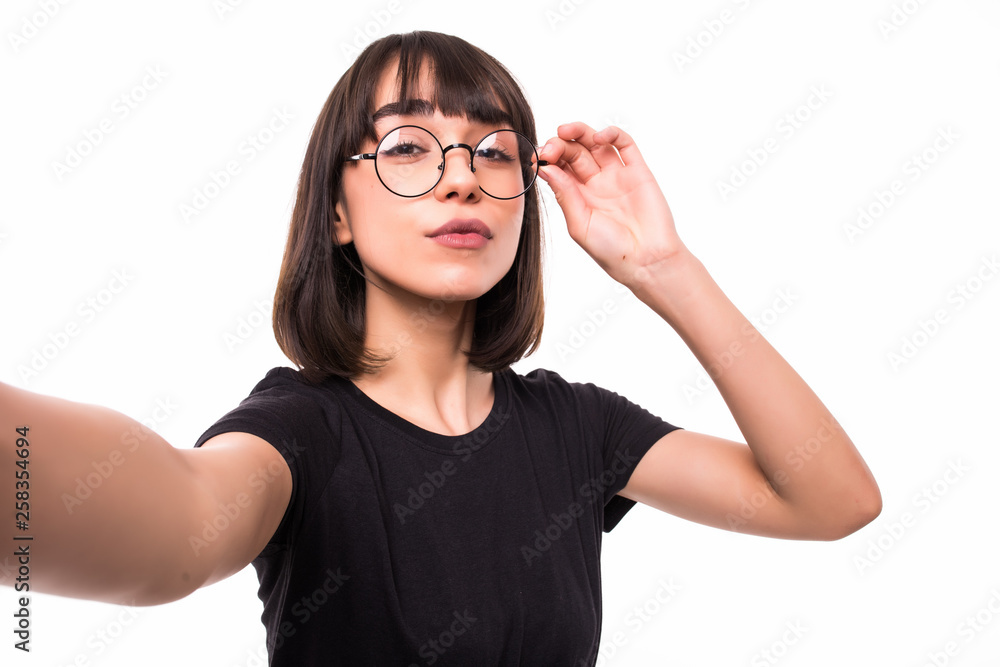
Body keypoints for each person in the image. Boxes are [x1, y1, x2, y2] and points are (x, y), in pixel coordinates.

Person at [1, 30, 881, 665]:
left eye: (495, 152)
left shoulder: (579, 427)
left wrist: (664, 266)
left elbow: (831, 499)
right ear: (336, 211)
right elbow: (183, 528)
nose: (462, 172)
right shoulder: (302, 429)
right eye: (409, 145)